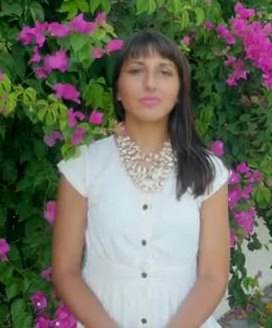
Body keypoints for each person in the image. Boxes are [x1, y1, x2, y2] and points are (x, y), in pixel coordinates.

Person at [51, 30, 231, 328]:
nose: (150, 83)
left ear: (178, 90)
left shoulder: (208, 171)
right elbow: (66, 270)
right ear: (118, 89)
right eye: (136, 71)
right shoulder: (82, 165)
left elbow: (213, 276)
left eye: (164, 72)